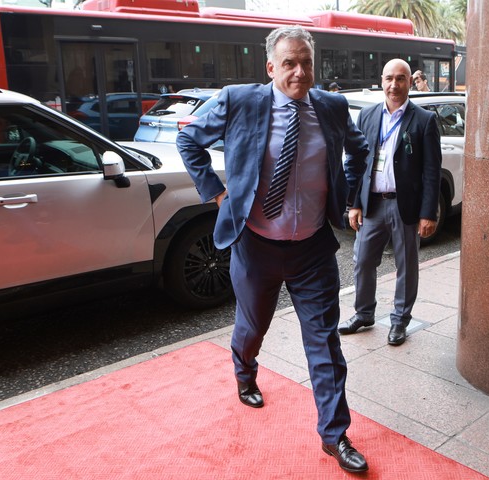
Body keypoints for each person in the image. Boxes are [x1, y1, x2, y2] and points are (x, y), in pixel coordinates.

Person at [176, 25, 370, 473]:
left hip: (313, 250)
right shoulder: (239, 100)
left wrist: (348, 196)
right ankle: (245, 371)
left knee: (324, 343)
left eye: (306, 63)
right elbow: (189, 139)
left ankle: (334, 434)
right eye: (289, 63)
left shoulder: (333, 107)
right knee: (253, 326)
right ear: (271, 67)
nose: (299, 72)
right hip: (256, 245)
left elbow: (358, 153)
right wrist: (218, 193)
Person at [339, 59, 441, 347]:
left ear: (409, 82)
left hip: (404, 205)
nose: (393, 85)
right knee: (361, 261)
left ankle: (399, 321)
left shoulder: (424, 120)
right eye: (388, 79)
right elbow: (357, 163)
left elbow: (431, 171)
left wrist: (428, 212)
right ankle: (364, 313)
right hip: (372, 203)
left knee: (406, 266)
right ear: (381, 81)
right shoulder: (368, 116)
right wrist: (354, 204)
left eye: (400, 79)